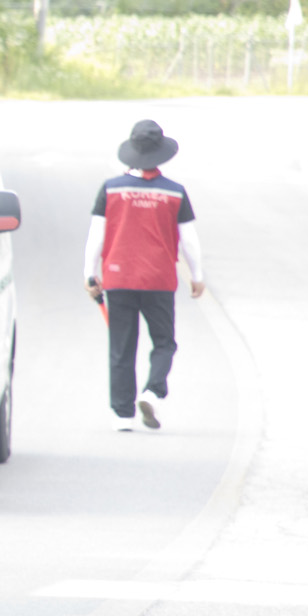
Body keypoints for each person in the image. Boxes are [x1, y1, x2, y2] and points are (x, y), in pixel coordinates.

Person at [85, 119, 203, 432]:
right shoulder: (175, 193)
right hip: (159, 280)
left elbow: (96, 235)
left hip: (118, 278)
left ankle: (122, 414)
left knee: (122, 346)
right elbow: (189, 240)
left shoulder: (111, 189)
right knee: (164, 342)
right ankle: (153, 391)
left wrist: (89, 273)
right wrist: (197, 275)